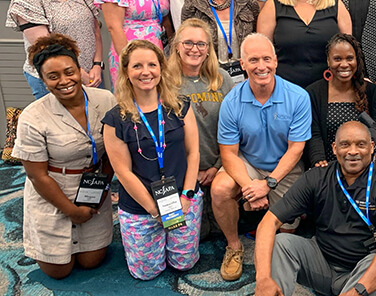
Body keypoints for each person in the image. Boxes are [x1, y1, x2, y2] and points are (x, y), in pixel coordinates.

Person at [253, 121, 376, 296]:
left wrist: (358, 291)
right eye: (345, 144)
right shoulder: (316, 177)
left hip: (363, 274)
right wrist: (263, 278)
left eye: (361, 144)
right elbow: (268, 222)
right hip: (322, 264)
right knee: (281, 243)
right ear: (334, 148)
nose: (353, 151)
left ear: (372, 147)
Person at [13, 34, 115, 279]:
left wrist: (101, 190)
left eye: (69, 72)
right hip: (53, 190)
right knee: (59, 271)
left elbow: (114, 153)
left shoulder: (106, 100)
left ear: (80, 70)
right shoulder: (33, 116)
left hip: (94, 187)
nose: (64, 81)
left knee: (92, 262)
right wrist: (71, 210)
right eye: (53, 76)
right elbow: (37, 177)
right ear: (43, 80)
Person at [211, 33, 311, 281]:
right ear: (243, 64)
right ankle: (234, 246)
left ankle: (276, 242)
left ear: (276, 61)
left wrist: (268, 185)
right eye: (253, 60)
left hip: (284, 168)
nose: (261, 66)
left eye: (266, 58)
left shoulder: (298, 97)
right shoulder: (232, 101)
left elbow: (296, 150)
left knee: (288, 229)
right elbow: (229, 154)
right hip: (249, 165)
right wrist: (249, 187)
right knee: (220, 188)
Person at [102, 39, 201, 280]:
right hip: (141, 207)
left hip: (183, 199)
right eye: (137, 66)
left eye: (152, 65)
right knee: (146, 273)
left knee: (184, 264)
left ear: (161, 68)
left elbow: (193, 153)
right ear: (126, 71)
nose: (146, 72)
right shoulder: (115, 120)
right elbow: (123, 172)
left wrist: (187, 196)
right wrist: (154, 210)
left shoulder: (181, 106)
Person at [166, 18, 235, 239]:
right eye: (188, 43)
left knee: (220, 229)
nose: (194, 49)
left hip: (219, 165)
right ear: (177, 46)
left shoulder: (222, 79)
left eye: (201, 44)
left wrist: (216, 167)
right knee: (196, 235)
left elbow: (234, 128)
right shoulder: (165, 82)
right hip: (180, 170)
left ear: (208, 49)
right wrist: (191, 172)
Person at [257, 0, 352, 89]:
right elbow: (262, 56)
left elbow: (349, 55)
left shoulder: (337, 5)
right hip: (285, 93)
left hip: (329, 93)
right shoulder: (272, 7)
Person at [180, 0, 259, 84]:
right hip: (209, 80)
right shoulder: (192, 7)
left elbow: (258, 42)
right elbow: (187, 48)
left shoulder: (248, 2)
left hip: (247, 79)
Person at [306, 34, 376, 167]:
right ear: (328, 61)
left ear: (357, 60)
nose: (344, 64)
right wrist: (319, 160)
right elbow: (314, 134)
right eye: (337, 59)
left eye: (349, 58)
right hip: (328, 167)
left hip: (365, 168)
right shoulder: (314, 93)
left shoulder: (370, 91)